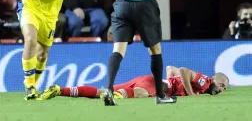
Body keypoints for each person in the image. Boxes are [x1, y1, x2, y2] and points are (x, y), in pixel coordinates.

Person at [39, 65, 229, 99]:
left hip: (148, 79)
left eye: (224, 88)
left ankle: (59, 90)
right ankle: (115, 97)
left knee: (100, 92)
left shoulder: (203, 87)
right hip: (153, 85)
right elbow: (183, 71)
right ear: (213, 79)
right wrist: (188, 93)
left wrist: (173, 80)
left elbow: (171, 68)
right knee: (142, 94)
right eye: (221, 85)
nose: (221, 89)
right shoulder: (205, 83)